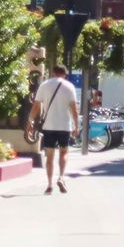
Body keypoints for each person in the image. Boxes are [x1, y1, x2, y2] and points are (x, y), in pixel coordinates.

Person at [32, 62, 81, 194]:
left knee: (49, 156)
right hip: (64, 126)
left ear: (53, 72)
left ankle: (49, 184)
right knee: (64, 152)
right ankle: (61, 177)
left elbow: (36, 106)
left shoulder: (44, 85)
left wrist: (30, 122)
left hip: (49, 125)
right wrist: (76, 126)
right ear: (65, 74)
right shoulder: (69, 86)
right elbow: (74, 109)